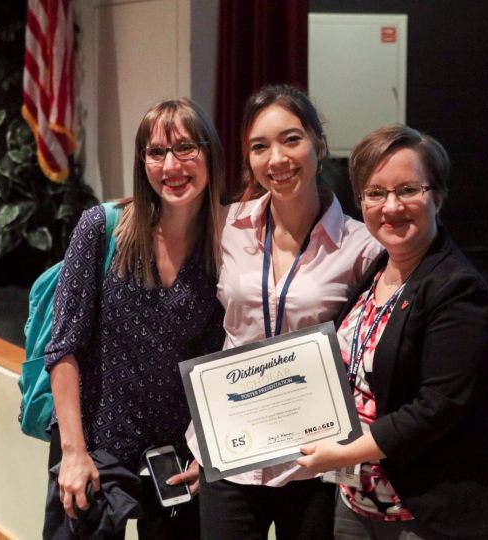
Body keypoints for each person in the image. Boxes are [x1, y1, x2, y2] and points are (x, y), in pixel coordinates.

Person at [297, 125, 488, 540]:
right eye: (375, 193)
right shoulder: (378, 270)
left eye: (408, 190)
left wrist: (344, 452)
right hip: (358, 504)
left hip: (430, 514)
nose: (391, 206)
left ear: (437, 195)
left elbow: (437, 408)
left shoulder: (457, 288)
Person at [189, 84, 382, 540]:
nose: (276, 159)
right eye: (260, 147)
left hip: (315, 458)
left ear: (319, 143)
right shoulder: (226, 225)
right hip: (232, 450)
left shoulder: (361, 246)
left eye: (291, 139)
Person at [43, 98, 226, 539]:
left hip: (177, 458)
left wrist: (208, 449)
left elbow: (222, 358)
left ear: (210, 154)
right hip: (94, 445)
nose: (171, 166)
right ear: (142, 162)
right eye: (156, 152)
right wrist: (72, 452)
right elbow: (63, 346)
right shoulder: (102, 228)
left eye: (185, 148)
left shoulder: (228, 244)